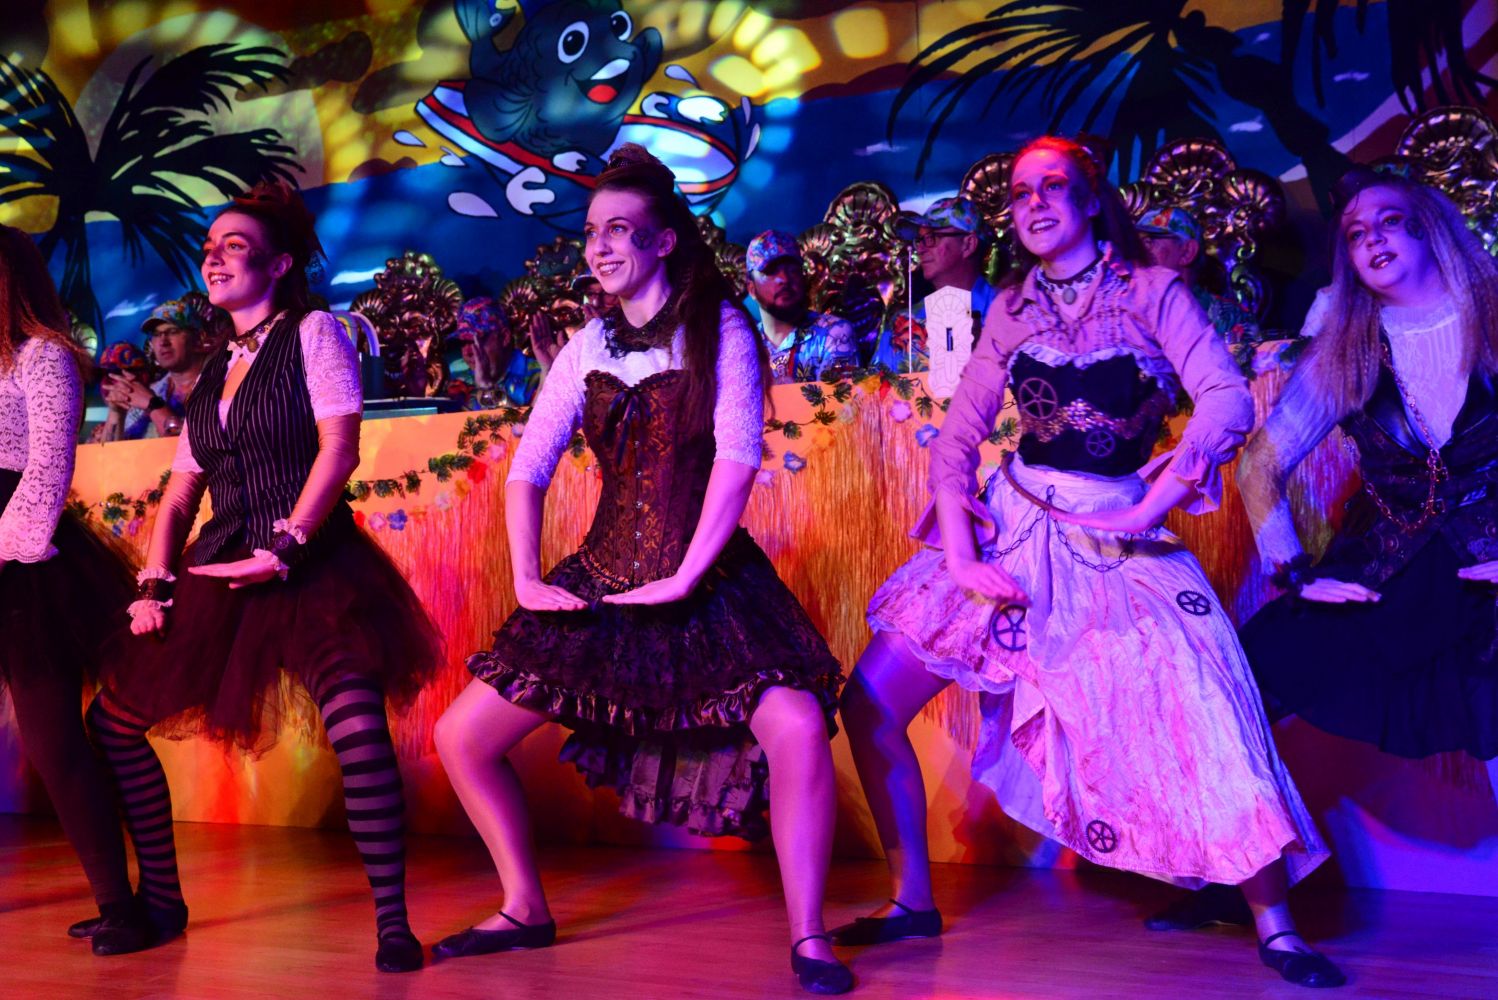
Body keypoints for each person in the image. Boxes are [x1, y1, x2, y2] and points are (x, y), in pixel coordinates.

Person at [838, 137, 1341, 988]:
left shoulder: (1152, 293)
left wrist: (1149, 507)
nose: (1034, 204)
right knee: (869, 699)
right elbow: (956, 441)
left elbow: (1226, 399)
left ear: (1090, 200)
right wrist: (959, 555)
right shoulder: (1010, 307)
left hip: (1113, 537)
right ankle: (911, 899)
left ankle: (1272, 920)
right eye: (1021, 193)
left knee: (1206, 704)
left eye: (1053, 187)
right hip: (1013, 524)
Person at [429, 145, 850, 995]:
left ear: (663, 240)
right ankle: (523, 906)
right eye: (592, 232)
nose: (599, 246)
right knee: (459, 737)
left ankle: (810, 936)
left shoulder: (721, 328)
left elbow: (736, 459)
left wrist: (687, 577)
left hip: (707, 577)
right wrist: (525, 577)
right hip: (606, 574)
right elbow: (527, 468)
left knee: (799, 727)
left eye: (619, 230)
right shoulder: (587, 344)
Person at [84, 181, 445, 973]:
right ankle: (161, 902)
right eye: (210, 246)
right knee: (113, 722)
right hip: (224, 563)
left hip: (313, 566)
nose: (215, 258)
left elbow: (339, 449)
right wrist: (153, 583)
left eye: (236, 246)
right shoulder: (214, 370)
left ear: (279, 265)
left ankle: (393, 924)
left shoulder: (315, 332)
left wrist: (288, 544)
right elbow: (182, 491)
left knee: (357, 728)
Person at [1237, 167, 1498, 768]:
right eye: (1356, 234)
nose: (1373, 239)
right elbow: (1260, 464)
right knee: (1262, 663)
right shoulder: (1346, 352)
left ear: (1429, 228)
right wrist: (1293, 571)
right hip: (1401, 572)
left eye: (1390, 222)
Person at [0, 225, 168, 954]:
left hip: (23, 561)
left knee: (53, 741)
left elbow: (47, 466)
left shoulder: (42, 355)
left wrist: (7, 550)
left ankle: (119, 906)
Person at [872, 196, 999, 372]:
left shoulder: (1008, 311)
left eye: (932, 237)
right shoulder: (905, 322)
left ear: (968, 244)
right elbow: (875, 385)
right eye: (919, 239)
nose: (921, 248)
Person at [98, 293, 222, 440]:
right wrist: (116, 412)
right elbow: (111, 452)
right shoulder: (154, 390)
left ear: (198, 337)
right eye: (156, 334)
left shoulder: (221, 381)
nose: (163, 342)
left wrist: (153, 405)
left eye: (173, 331)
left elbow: (199, 443)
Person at [744, 230, 858, 383]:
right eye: (771, 272)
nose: (784, 279)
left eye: (792, 270)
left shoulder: (833, 333)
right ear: (751, 289)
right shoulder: (745, 345)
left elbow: (836, 397)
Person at [1136, 207, 1261, 343]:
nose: (1137, 254)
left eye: (1149, 242)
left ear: (1187, 252)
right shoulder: (1128, 313)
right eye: (1136, 244)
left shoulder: (1230, 318)